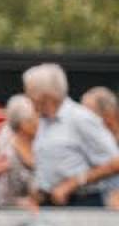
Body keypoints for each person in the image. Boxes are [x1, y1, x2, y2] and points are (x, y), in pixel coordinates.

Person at [25, 63, 119, 209]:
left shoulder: (80, 118)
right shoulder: (45, 122)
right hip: (51, 206)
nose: (28, 99)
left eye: (29, 93)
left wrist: (72, 183)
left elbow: (115, 162)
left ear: (44, 95)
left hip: (82, 205)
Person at [0, 94, 42, 210]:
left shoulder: (41, 145)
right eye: (33, 118)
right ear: (22, 124)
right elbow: (2, 198)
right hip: (15, 216)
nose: (38, 121)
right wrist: (23, 203)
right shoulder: (7, 153)